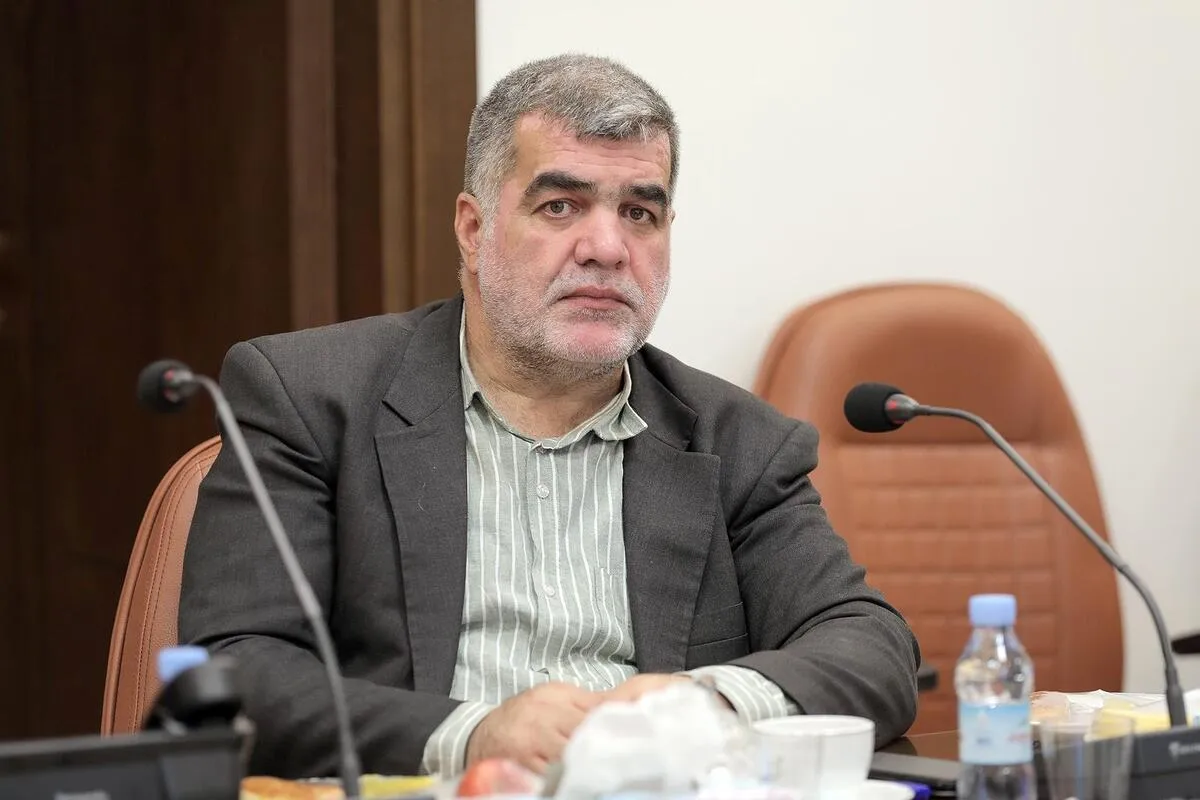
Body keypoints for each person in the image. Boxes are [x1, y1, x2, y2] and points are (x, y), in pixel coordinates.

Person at [179, 53, 920, 780]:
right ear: (473, 229)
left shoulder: (740, 442)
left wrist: (711, 702)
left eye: (640, 213)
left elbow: (872, 648)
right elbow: (235, 668)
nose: (607, 249)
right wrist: (473, 735)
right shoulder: (311, 397)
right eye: (560, 205)